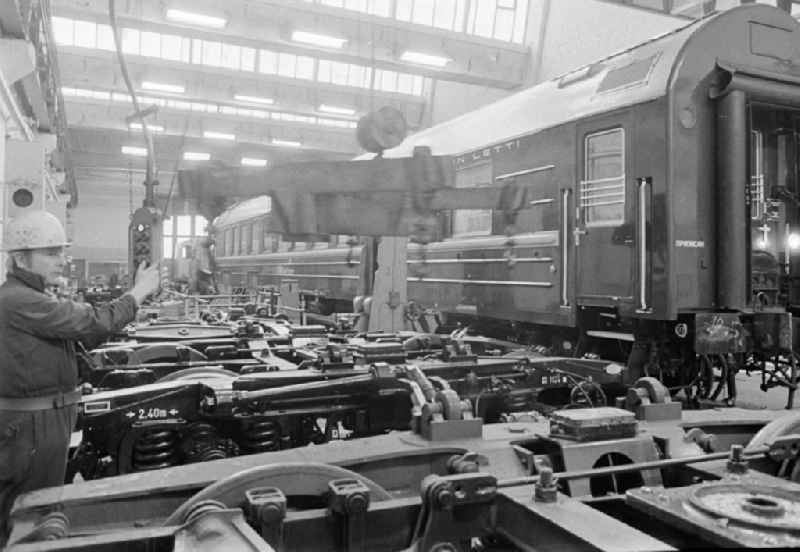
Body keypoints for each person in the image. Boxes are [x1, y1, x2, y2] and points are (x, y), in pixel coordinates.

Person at [0, 210, 161, 545]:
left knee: (37, 508)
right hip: (32, 427)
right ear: (19, 258)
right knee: (31, 513)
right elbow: (92, 325)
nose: (61, 260)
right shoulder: (19, 300)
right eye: (50, 253)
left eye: (62, 251)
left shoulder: (31, 297)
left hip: (40, 421)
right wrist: (139, 292)